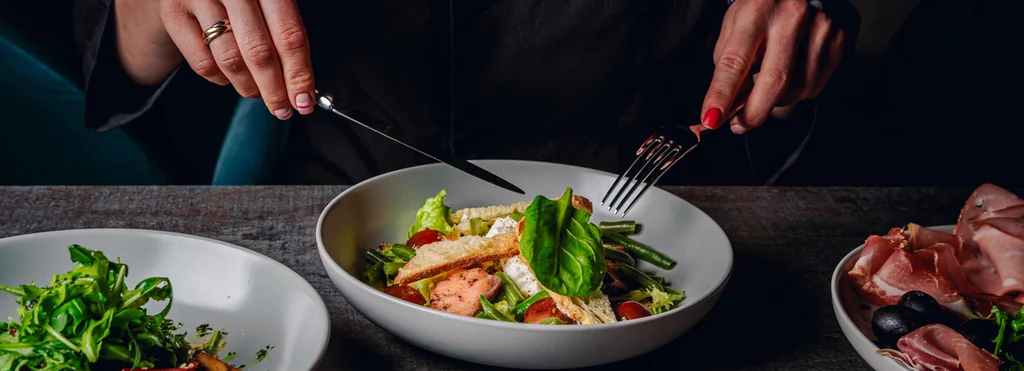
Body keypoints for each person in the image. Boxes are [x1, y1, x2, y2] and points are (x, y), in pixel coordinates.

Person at [74, 0, 857, 185]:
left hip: (641, 212)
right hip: (332, 207)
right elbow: (118, 58)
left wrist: (791, 54)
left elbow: (797, 36)